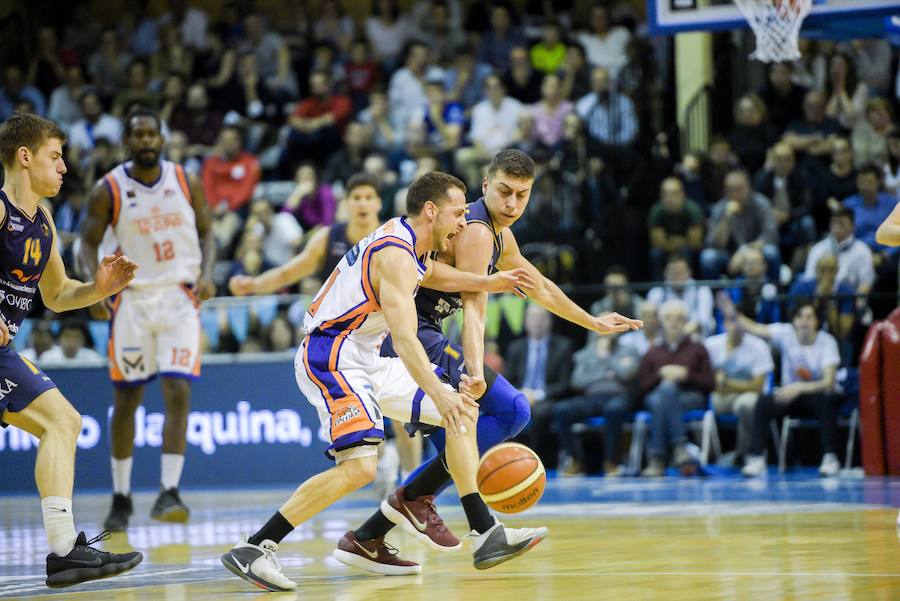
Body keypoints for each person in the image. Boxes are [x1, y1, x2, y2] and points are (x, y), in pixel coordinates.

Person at [219, 171, 545, 591]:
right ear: (432, 211)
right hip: (332, 354)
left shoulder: (408, 240)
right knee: (360, 469)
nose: (464, 222)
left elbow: (430, 277)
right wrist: (435, 394)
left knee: (462, 409)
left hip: (365, 356)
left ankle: (485, 533)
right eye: (458, 213)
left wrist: (487, 282)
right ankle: (256, 547)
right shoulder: (395, 254)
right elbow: (406, 340)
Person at [336, 149, 641, 576]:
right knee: (500, 414)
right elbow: (475, 309)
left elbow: (537, 285)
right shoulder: (477, 230)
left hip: (426, 335)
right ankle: (458, 520)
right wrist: (474, 369)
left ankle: (376, 529)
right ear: (485, 186)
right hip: (409, 337)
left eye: (522, 195)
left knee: (496, 421)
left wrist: (592, 321)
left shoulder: (501, 233)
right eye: (504, 192)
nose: (512, 203)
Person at [0, 113, 141, 587]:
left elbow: (57, 296)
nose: (64, 168)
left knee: (64, 421)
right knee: (63, 421)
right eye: (55, 157)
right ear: (25, 157)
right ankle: (63, 551)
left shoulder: (43, 222)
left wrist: (99, 288)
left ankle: (64, 551)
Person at [229, 173, 421, 490]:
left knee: (405, 420)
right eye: (355, 197)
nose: (362, 203)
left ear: (377, 202)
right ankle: (385, 462)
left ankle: (412, 490)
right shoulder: (329, 237)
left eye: (368, 197)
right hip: (346, 341)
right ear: (346, 202)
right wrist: (254, 284)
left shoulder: (393, 235)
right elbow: (291, 270)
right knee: (369, 415)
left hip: (388, 332)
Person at [80, 108, 216, 531]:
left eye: (150, 134)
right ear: (127, 142)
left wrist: (209, 273)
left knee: (178, 392)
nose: (145, 141)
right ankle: (120, 498)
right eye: (137, 135)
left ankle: (169, 492)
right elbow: (85, 242)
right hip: (133, 300)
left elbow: (208, 231)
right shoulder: (108, 189)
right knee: (127, 399)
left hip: (178, 296)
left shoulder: (185, 180)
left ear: (162, 139)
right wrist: (93, 283)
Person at [720, 297, 843, 478]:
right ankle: (756, 458)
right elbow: (755, 328)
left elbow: (828, 381)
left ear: (817, 321)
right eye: (800, 317)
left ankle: (830, 458)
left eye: (809, 317)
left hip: (819, 394)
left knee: (826, 399)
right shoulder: (786, 333)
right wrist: (734, 315)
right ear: (794, 321)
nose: (804, 321)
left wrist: (799, 387)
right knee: (764, 402)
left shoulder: (827, 341)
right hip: (792, 396)